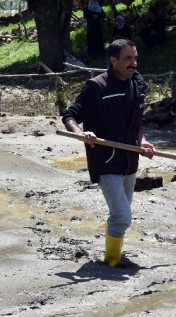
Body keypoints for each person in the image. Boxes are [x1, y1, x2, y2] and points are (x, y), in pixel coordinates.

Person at [62, 39, 155, 267]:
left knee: (120, 214)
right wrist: (81, 133)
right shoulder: (97, 87)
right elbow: (70, 115)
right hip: (105, 159)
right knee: (123, 216)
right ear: (113, 60)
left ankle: (114, 250)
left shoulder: (138, 83)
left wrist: (143, 141)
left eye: (135, 57)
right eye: (128, 59)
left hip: (129, 159)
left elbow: (137, 121)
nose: (133, 63)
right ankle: (112, 261)